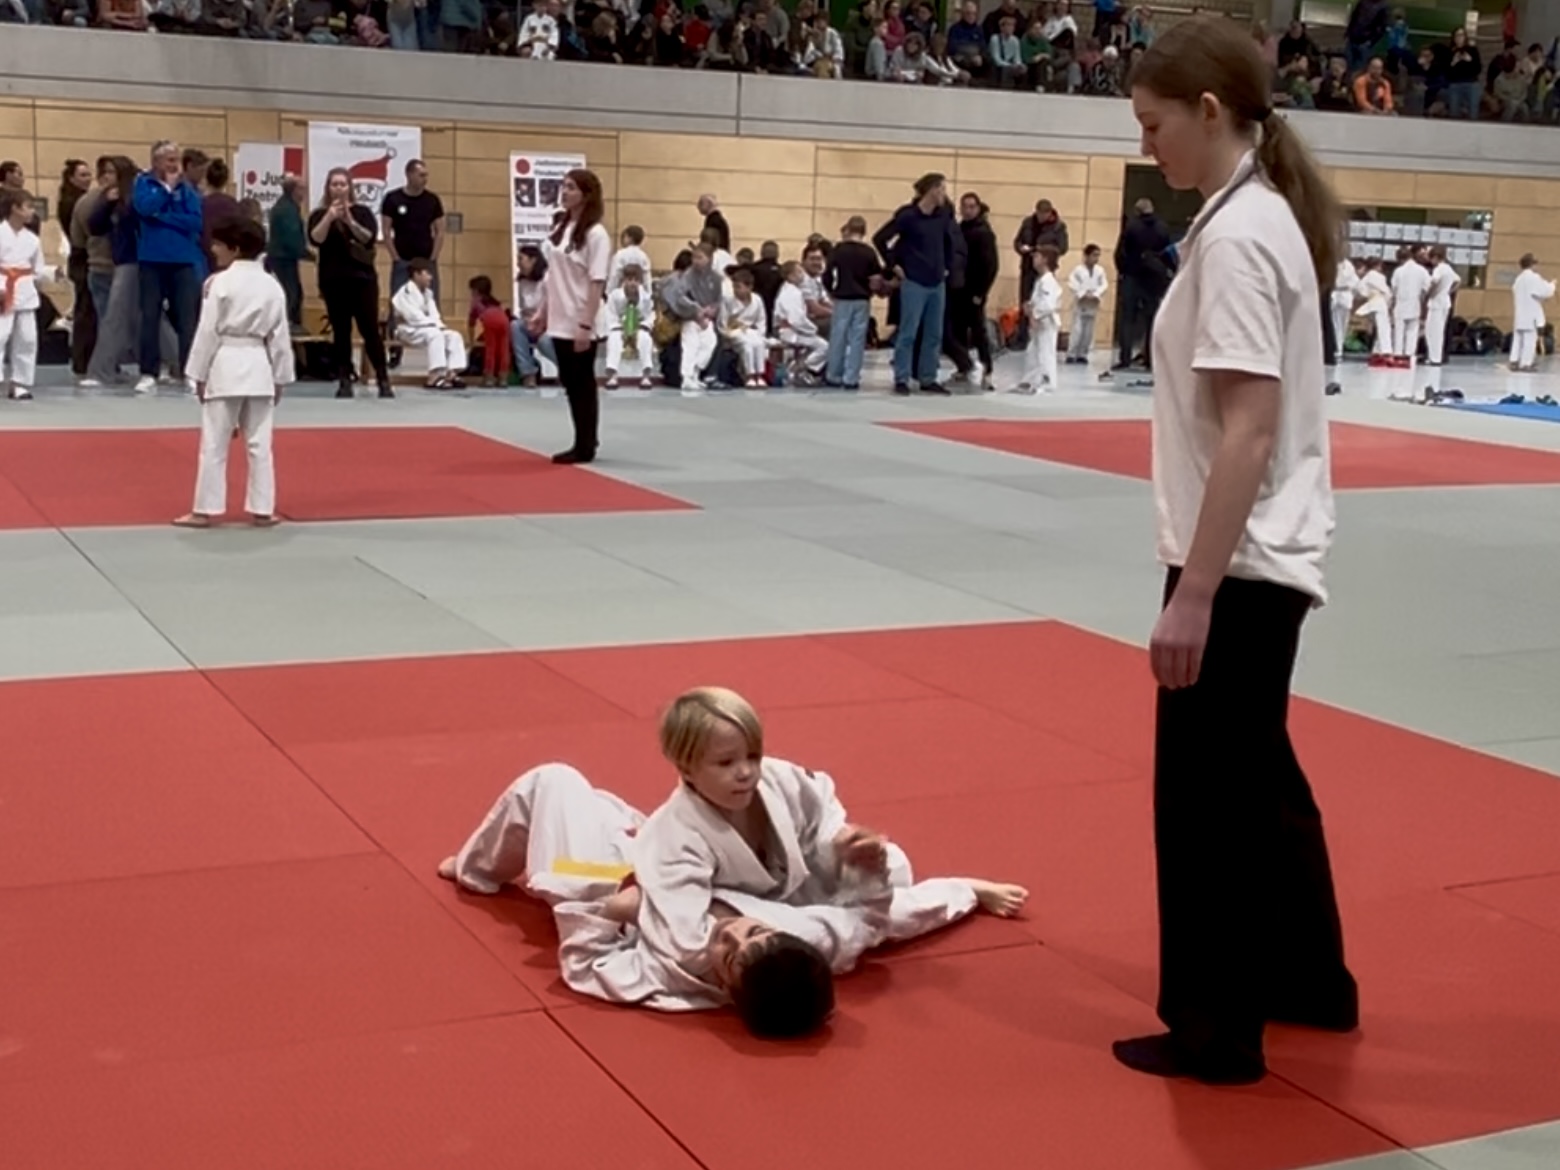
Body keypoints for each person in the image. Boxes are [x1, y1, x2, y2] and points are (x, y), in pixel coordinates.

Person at [1114, 15, 1357, 1087]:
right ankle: (1308, 980)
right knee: (1262, 781)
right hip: (1259, 554)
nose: (1146, 144)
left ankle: (1217, 1031)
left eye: (1154, 123)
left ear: (1210, 112)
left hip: (1240, 560)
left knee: (1210, 800)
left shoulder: (1242, 236)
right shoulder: (1249, 219)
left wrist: (1193, 594)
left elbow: (1249, 431)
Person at [438, 689, 1028, 1036]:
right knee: (891, 870)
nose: (747, 773)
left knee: (552, 782)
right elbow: (890, 918)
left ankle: (475, 869)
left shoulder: (681, 968)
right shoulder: (808, 942)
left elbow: (593, 962)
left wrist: (619, 911)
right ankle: (509, 854)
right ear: (685, 769)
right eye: (726, 763)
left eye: (751, 755)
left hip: (614, 880)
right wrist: (965, 889)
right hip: (674, 867)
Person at [174, 217, 293, 529]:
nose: (213, 250)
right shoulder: (272, 285)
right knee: (260, 445)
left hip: (225, 362)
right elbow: (280, 337)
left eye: (218, 244)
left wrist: (198, 374)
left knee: (214, 443)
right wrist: (281, 377)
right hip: (260, 366)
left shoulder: (220, 283)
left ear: (235, 248)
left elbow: (207, 331)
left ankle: (203, 510)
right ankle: (263, 509)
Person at [530, 168, 610, 464]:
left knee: (582, 383)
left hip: (581, 316)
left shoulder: (596, 234)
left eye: (571, 187)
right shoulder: (562, 228)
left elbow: (597, 282)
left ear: (586, 195)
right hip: (560, 316)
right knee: (570, 382)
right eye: (563, 186)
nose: (564, 192)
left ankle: (585, 443)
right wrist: (542, 311)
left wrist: (585, 324)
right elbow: (552, 277)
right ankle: (584, 436)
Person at [873, 173, 964, 396]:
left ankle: (928, 377)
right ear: (931, 190)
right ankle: (902, 377)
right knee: (908, 332)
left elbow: (949, 242)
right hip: (914, 280)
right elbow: (880, 238)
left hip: (937, 282)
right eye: (942, 189)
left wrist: (947, 266)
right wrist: (893, 265)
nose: (944, 194)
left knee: (934, 333)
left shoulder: (943, 216)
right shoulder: (908, 216)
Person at [309, 166, 392, 399]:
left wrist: (350, 221)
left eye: (342, 184)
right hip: (333, 280)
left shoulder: (363, 212)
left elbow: (368, 238)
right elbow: (316, 239)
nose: (338, 188)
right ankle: (344, 379)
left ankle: (383, 378)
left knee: (370, 330)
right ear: (328, 188)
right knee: (341, 331)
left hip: (362, 280)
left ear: (350, 187)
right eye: (334, 184)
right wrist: (329, 217)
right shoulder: (318, 214)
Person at [132, 140, 206, 395]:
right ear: (156, 162)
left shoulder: (187, 190)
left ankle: (189, 372)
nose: (175, 165)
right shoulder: (143, 183)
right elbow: (144, 208)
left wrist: (163, 217)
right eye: (170, 160)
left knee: (187, 319)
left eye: (177, 159)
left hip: (183, 260)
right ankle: (148, 372)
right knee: (149, 317)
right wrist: (166, 190)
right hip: (152, 260)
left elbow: (195, 222)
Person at [1113, 198, 1174, 371]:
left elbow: (1121, 252)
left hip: (1132, 275)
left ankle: (1125, 358)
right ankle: (1150, 359)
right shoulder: (1162, 228)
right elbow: (1167, 253)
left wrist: (1124, 270)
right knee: (1152, 319)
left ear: (1137, 211)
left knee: (1128, 318)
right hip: (1154, 278)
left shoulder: (1131, 227)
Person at [822, 216, 881, 391]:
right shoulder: (869, 252)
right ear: (864, 231)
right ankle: (852, 378)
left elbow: (827, 274)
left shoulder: (838, 250)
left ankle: (834, 375)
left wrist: (831, 291)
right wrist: (870, 292)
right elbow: (876, 278)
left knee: (838, 336)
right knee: (857, 339)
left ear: (848, 229)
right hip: (862, 299)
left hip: (842, 297)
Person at [946, 194, 998, 389]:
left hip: (975, 291)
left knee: (978, 332)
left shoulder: (984, 233)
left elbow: (991, 265)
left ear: (977, 208)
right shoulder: (959, 229)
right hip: (958, 288)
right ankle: (963, 366)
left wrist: (981, 293)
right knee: (958, 329)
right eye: (964, 206)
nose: (967, 210)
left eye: (971, 207)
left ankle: (987, 368)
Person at [392, 258, 467, 390]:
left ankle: (452, 373)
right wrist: (434, 326)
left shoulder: (428, 293)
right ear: (416, 274)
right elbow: (413, 317)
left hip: (427, 329)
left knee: (454, 336)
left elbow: (434, 314)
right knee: (435, 335)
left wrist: (439, 325)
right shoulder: (404, 293)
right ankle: (434, 376)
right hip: (407, 330)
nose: (430, 278)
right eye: (427, 274)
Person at [0, 186, 43, 402]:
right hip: (3, 288)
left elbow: (37, 269)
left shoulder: (32, 239)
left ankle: (19, 383)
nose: (32, 212)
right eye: (28, 207)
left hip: (25, 291)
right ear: (14, 209)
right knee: (0, 336)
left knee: (27, 339)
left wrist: (53, 273)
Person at [1015, 245, 1061, 393]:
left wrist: (1034, 314)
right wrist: (1029, 306)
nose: (1034, 259)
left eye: (1037, 256)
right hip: (1039, 322)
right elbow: (1039, 300)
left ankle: (1047, 383)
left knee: (1045, 353)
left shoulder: (1048, 280)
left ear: (1045, 260)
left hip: (1046, 322)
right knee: (1033, 352)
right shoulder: (1040, 280)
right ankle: (1029, 381)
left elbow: (1048, 304)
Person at [266, 175, 309, 330]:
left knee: (293, 294)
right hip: (283, 259)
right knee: (291, 295)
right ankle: (288, 328)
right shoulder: (287, 210)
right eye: (302, 189)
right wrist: (308, 254)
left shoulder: (285, 207)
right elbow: (291, 238)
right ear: (294, 190)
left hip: (282, 258)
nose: (305, 193)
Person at [774, 260, 829, 382]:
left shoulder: (792, 290)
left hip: (794, 330)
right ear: (790, 276)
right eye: (799, 272)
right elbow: (796, 320)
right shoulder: (791, 293)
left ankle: (799, 365)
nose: (802, 275)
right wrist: (812, 329)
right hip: (791, 332)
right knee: (824, 347)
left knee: (817, 344)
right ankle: (801, 368)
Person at [604, 262, 656, 389]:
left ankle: (646, 376)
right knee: (614, 339)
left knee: (645, 339)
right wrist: (621, 328)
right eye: (629, 279)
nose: (632, 283)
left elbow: (650, 315)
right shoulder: (615, 296)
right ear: (623, 280)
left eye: (635, 280)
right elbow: (610, 315)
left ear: (640, 282)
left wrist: (642, 326)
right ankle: (613, 376)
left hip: (639, 327)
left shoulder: (646, 297)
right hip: (619, 328)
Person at [722, 265, 769, 388]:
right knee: (747, 345)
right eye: (734, 287)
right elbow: (723, 322)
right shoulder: (728, 300)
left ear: (750, 287)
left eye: (739, 287)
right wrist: (730, 332)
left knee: (759, 343)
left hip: (751, 331)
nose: (735, 290)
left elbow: (761, 320)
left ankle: (759, 375)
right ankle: (749, 375)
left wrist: (760, 334)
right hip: (733, 332)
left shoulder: (757, 300)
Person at [1509, 253, 1555, 372]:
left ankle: (1514, 361)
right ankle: (1526, 363)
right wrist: (1552, 285)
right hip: (1531, 315)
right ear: (1532, 264)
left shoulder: (1518, 280)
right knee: (1530, 340)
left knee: (1518, 339)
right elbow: (1544, 291)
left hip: (1520, 314)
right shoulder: (1533, 278)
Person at [1066, 242, 1108, 364]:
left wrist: (1096, 294)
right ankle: (1071, 353)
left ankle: (1082, 354)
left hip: (1093, 303)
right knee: (1077, 329)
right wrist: (1083, 293)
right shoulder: (1078, 270)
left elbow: (1104, 284)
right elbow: (1072, 283)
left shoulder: (1100, 270)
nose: (1096, 258)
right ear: (1086, 255)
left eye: (1098, 255)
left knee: (1088, 331)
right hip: (1081, 302)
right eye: (1094, 255)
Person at [467, 275, 513, 388]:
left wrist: (471, 340)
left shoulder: (476, 303)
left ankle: (489, 377)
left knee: (490, 349)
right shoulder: (496, 303)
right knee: (503, 349)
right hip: (504, 321)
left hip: (489, 321)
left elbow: (471, 322)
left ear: (476, 291)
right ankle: (503, 377)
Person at [1388, 244, 1429, 370]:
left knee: (1398, 332)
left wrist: (1391, 306)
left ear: (1399, 259)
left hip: (1400, 304)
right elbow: (1426, 288)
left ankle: (1398, 355)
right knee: (1412, 331)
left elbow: (1393, 289)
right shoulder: (1422, 270)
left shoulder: (1398, 271)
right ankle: (1410, 356)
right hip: (1415, 304)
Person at [1423, 247, 1459, 367]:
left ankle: (1434, 357)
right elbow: (1458, 281)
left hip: (1436, 303)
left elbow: (1434, 282)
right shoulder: (1449, 268)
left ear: (1435, 257)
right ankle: (1436, 356)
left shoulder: (1438, 269)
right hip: (1445, 301)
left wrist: (1430, 294)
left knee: (1432, 331)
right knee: (1440, 331)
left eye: (1431, 258)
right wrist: (1448, 291)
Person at [1355, 257, 1391, 365]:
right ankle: (1385, 351)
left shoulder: (1366, 277)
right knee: (1384, 328)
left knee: (1379, 328)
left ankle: (1377, 350)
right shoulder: (1379, 276)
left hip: (1371, 303)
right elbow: (1387, 292)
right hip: (1380, 303)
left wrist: (1368, 294)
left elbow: (1360, 290)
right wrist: (1389, 303)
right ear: (1377, 265)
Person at [1329, 256, 1360, 366]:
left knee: (1342, 325)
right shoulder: (1332, 262)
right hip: (1336, 295)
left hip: (1344, 296)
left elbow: (1355, 282)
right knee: (1335, 324)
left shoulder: (1348, 265)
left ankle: (1339, 348)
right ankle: (1337, 349)